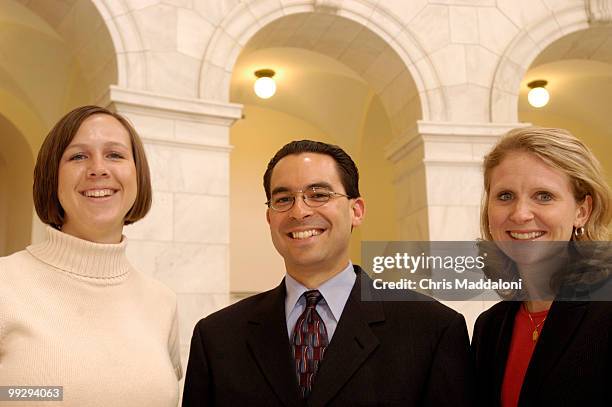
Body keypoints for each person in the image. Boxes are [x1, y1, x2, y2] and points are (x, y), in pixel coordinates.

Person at [183, 140, 473, 406]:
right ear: (270, 217)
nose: (299, 211)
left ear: (356, 211)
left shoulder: (432, 329)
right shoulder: (216, 338)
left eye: (318, 194)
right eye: (283, 200)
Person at [0, 106, 182, 406]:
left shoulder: (162, 301)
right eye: (78, 156)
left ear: (138, 175)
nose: (98, 168)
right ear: (52, 177)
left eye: (115, 155)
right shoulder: (6, 283)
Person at [471, 127, 612, 406]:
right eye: (505, 196)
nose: (521, 214)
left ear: (582, 211)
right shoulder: (490, 327)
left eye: (544, 196)